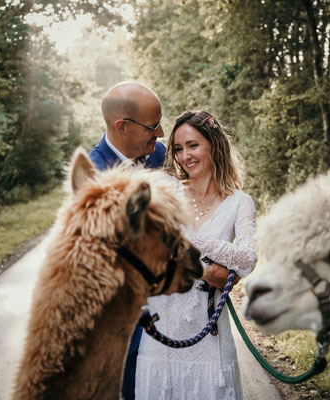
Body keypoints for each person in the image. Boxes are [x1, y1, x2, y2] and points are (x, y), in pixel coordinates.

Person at [135, 111, 258, 399]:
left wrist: (189, 243)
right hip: (161, 335)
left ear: (214, 145)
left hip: (210, 340)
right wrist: (213, 268)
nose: (185, 156)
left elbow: (247, 259)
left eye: (193, 145)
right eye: (178, 148)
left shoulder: (240, 203)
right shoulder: (166, 192)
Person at [88, 81, 166, 400]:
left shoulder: (158, 154)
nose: (161, 134)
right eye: (153, 126)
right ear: (122, 126)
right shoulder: (94, 177)